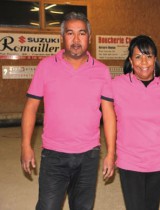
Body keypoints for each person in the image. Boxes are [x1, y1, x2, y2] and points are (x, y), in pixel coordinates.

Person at [20, 12, 116, 210]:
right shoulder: (45, 67)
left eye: (81, 33)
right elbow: (31, 108)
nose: (76, 39)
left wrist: (111, 153)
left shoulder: (102, 71)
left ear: (89, 37)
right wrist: (25, 145)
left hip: (88, 156)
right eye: (70, 33)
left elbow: (108, 114)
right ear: (62, 37)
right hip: (54, 155)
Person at [101, 35, 160, 210]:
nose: (144, 62)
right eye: (138, 56)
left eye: (149, 56)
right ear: (130, 60)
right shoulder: (116, 85)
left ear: (155, 59)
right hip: (129, 161)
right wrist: (110, 154)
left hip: (158, 161)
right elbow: (106, 118)